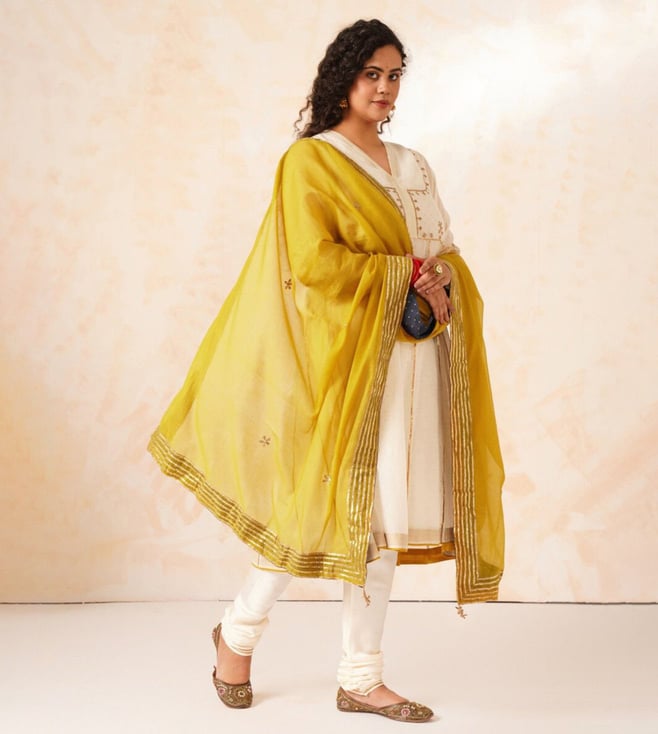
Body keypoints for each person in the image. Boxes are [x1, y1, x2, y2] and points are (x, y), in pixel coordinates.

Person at [148, 18, 504, 724]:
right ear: (343, 78)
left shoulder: (413, 164)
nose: (384, 87)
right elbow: (312, 264)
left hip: (412, 366)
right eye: (372, 73)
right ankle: (237, 634)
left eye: (395, 75)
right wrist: (404, 274)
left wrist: (441, 280)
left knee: (382, 523)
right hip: (346, 366)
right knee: (313, 515)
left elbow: (446, 249)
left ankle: (361, 678)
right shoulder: (311, 162)